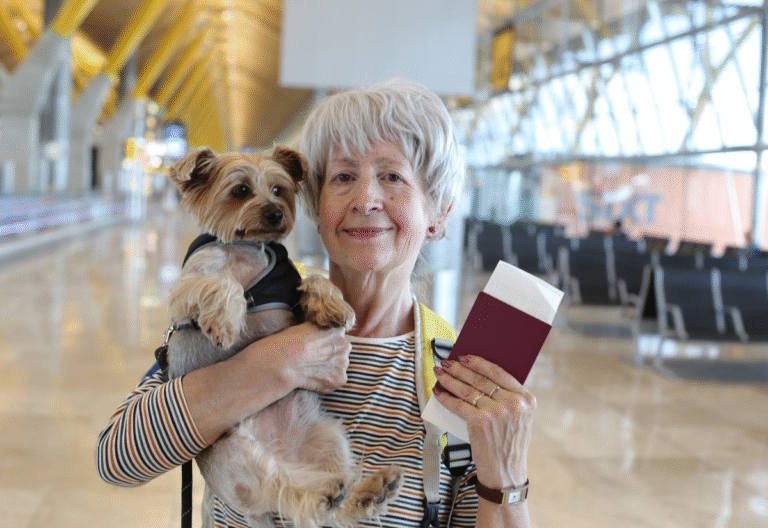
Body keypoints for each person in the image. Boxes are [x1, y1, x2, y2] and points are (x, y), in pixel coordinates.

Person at [96, 79, 536, 527]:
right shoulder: (254, 308)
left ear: (438, 213)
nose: (366, 200)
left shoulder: (460, 368)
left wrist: (506, 476)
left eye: (392, 177)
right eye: (343, 177)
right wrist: (267, 366)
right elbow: (117, 458)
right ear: (316, 207)